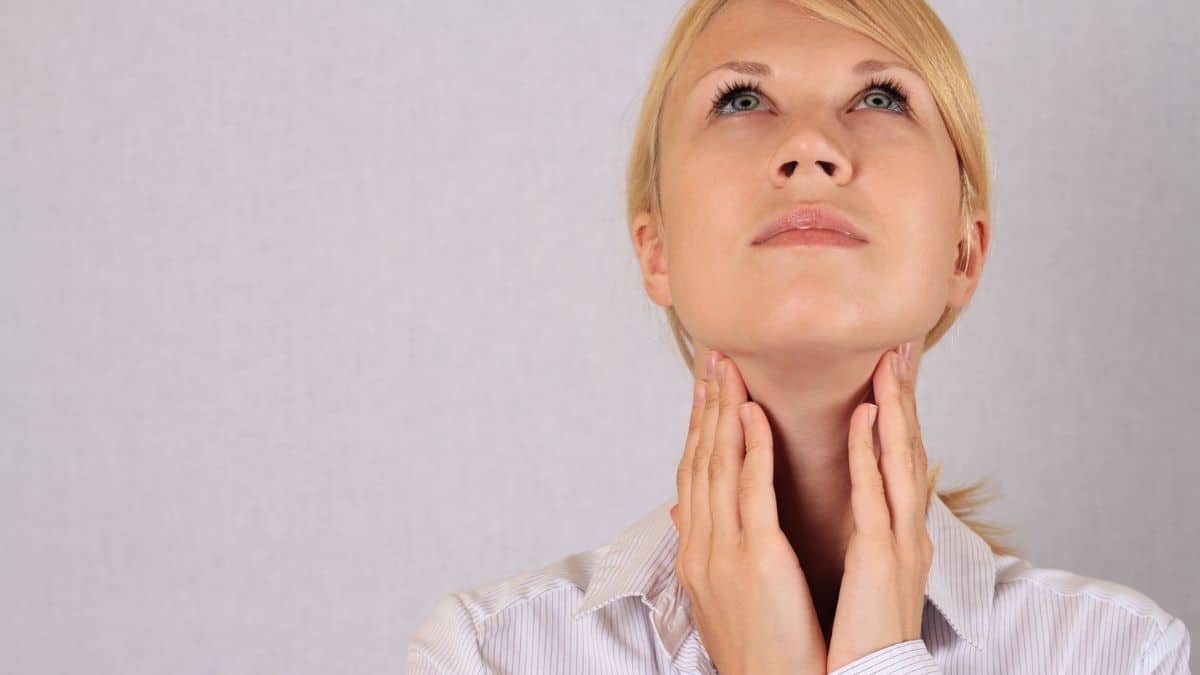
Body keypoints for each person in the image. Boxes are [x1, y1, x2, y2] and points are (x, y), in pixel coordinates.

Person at [405, 0, 1193, 672]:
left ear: (964, 251)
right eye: (742, 100)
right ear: (656, 251)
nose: (810, 147)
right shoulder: (489, 654)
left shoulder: (1119, 654)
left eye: (881, 97)